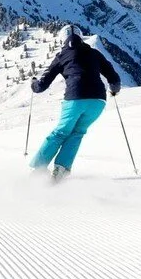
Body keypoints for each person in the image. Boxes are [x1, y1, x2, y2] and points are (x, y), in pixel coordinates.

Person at [28, 25, 122, 181]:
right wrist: (113, 89)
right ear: (81, 37)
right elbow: (113, 77)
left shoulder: (61, 56)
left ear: (62, 40)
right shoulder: (94, 53)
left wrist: (34, 84)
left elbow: (42, 85)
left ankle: (38, 168)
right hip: (98, 101)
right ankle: (61, 169)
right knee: (77, 133)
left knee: (60, 133)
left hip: (75, 99)